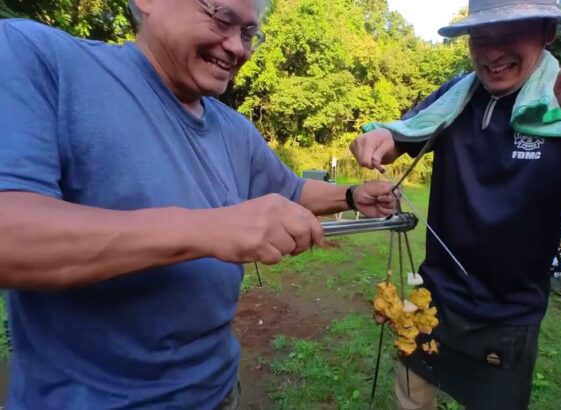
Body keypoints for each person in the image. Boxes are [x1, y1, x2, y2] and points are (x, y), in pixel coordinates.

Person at [0, 0, 397, 407]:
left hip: (217, 393)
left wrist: (351, 195)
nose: (237, 47)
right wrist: (211, 229)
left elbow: (290, 190)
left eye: (248, 33)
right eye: (223, 18)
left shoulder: (234, 129)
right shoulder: (39, 57)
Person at [349, 0, 561, 408]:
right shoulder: (456, 96)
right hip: (432, 297)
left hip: (509, 314)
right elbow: (398, 137)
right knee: (411, 399)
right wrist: (377, 140)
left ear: (548, 32)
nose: (492, 53)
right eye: (481, 37)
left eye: (510, 35)